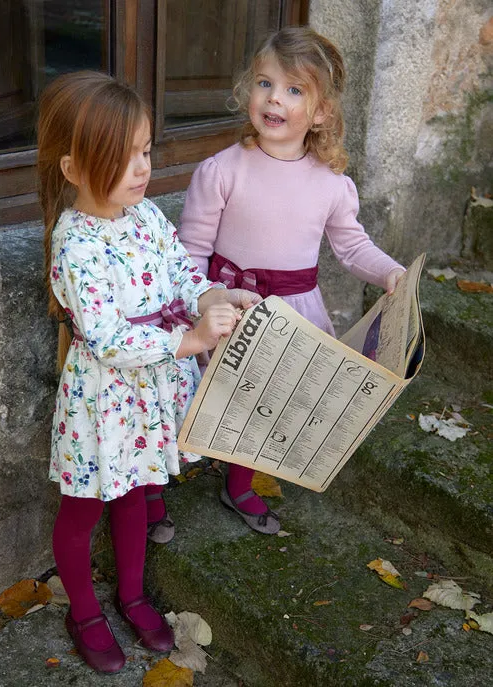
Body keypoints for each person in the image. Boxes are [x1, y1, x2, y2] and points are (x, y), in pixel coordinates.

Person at [38, 70, 260, 673]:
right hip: (104, 398)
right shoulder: (76, 244)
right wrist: (189, 339)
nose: (141, 168)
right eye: (122, 156)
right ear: (74, 170)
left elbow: (180, 276)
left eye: (144, 151)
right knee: (83, 506)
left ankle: (132, 595)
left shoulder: (147, 217)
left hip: (149, 394)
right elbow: (108, 338)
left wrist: (214, 295)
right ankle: (82, 608)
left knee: (136, 492)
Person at [178, 26, 405, 536]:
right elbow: (188, 252)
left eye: (294, 90)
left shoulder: (331, 184)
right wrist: (202, 298)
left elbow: (351, 246)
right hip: (228, 305)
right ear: (248, 91)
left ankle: (239, 484)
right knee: (197, 397)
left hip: (293, 313)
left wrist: (390, 271)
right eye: (264, 83)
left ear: (321, 112)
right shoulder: (221, 171)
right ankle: (152, 491)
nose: (274, 98)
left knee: (265, 403)